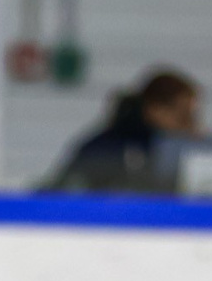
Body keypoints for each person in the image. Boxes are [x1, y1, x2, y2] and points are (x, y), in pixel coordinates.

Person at [47, 68, 201, 191]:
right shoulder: (108, 151)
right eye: (183, 118)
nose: (191, 128)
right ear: (155, 110)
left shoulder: (176, 154)